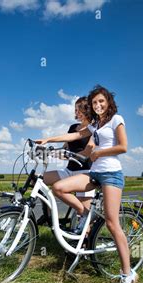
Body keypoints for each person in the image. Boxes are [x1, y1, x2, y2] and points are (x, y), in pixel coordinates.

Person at [36, 85, 137, 283]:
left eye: (101, 101)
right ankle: (85, 215)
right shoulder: (96, 126)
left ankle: (128, 273)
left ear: (108, 102)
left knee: (111, 223)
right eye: (94, 103)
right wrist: (49, 139)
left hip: (111, 175)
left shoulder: (116, 120)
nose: (97, 105)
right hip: (94, 173)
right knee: (59, 188)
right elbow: (75, 136)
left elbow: (124, 147)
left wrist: (100, 153)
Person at [42, 96, 95, 227]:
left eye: (78, 109)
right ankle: (48, 216)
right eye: (75, 109)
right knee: (38, 180)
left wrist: (73, 156)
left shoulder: (94, 129)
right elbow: (65, 149)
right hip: (68, 170)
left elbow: (88, 152)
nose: (76, 112)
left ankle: (84, 243)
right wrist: (48, 153)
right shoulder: (73, 127)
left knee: (84, 221)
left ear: (86, 110)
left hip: (85, 172)